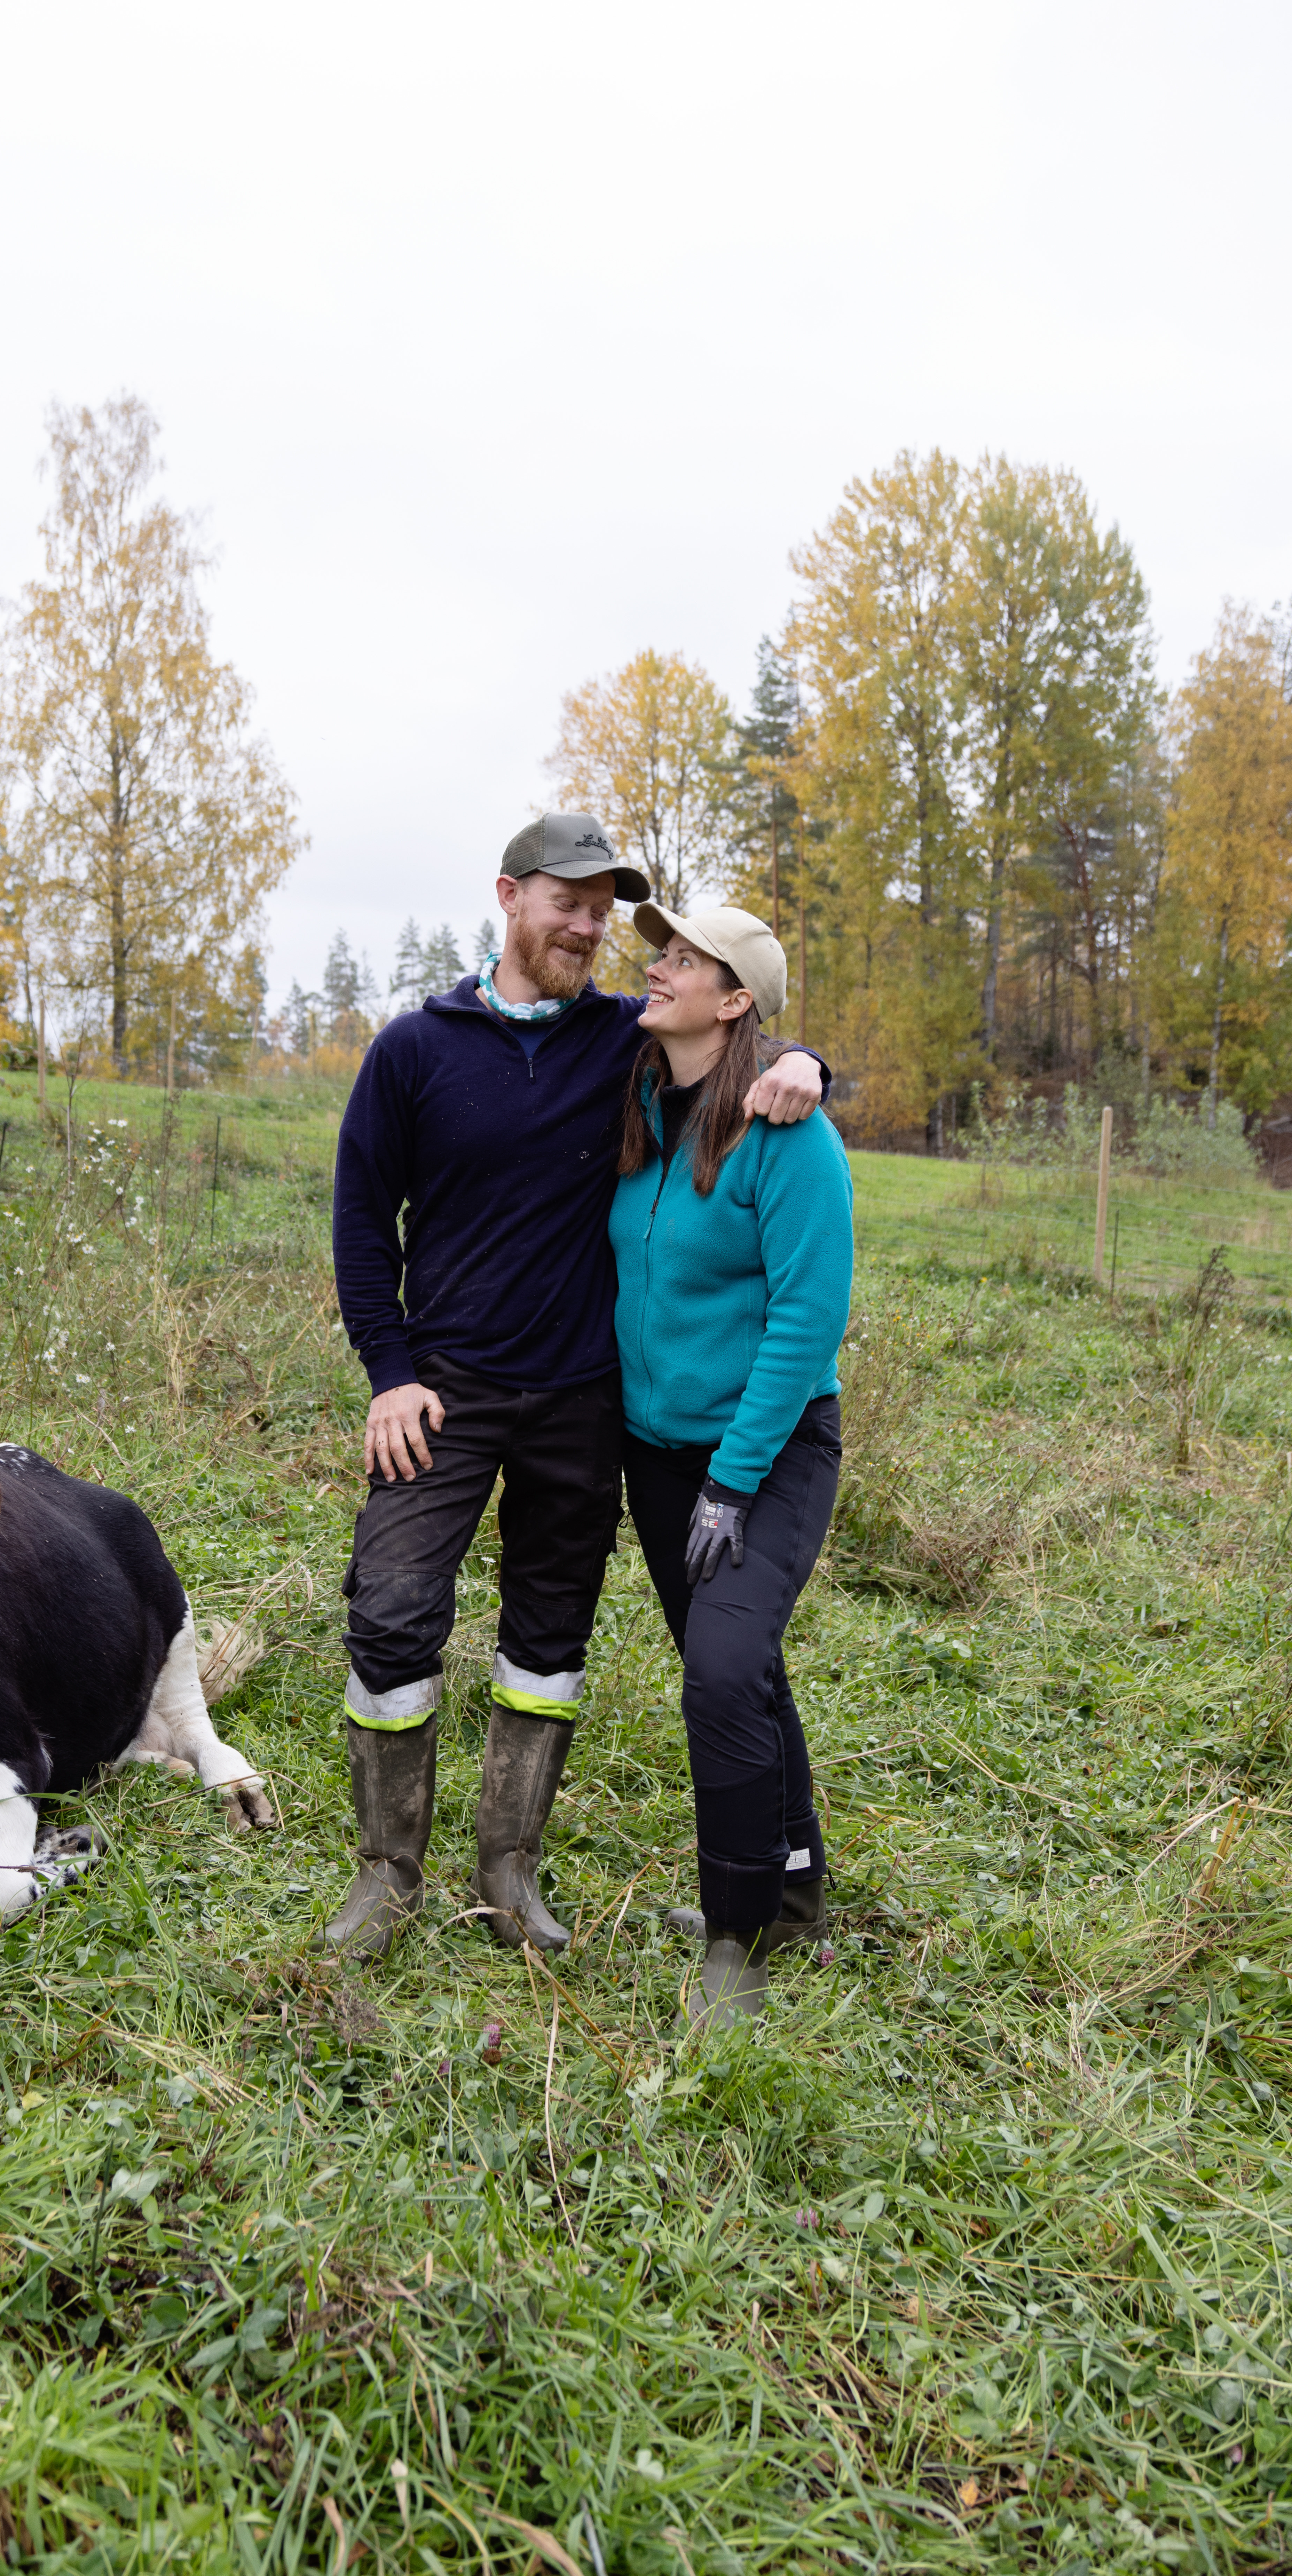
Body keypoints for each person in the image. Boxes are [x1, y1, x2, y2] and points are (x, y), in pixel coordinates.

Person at [324, 812, 830, 1960]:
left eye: (606, 907)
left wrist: (809, 1062)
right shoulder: (414, 1048)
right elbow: (361, 1218)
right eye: (569, 900)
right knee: (394, 1608)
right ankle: (386, 1874)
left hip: (579, 1400)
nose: (591, 926)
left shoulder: (627, 1041)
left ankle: (509, 1870)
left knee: (551, 1632)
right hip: (443, 1392)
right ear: (509, 896)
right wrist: (388, 1374)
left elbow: (741, 1047)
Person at [610, 901, 853, 2027]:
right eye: (659, 955)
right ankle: (794, 1887)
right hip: (657, 1457)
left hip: (768, 1452)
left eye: (683, 960)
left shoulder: (790, 1134)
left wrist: (733, 1478)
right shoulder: (638, 1089)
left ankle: (736, 1936)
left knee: (718, 1673)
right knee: (739, 1667)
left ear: (737, 997)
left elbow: (808, 1317)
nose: (655, 969)